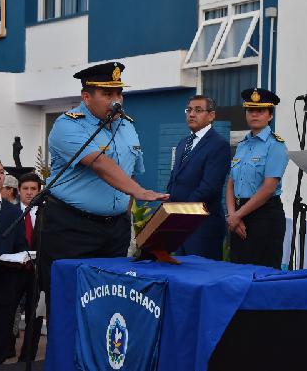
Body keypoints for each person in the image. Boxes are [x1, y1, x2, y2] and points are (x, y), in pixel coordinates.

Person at [39, 62, 169, 307]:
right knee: (68, 302)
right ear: (86, 97)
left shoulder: (127, 126)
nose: (116, 100)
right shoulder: (68, 125)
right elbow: (100, 164)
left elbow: (131, 173)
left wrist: (127, 213)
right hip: (72, 228)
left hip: (115, 230)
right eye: (107, 94)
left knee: (108, 303)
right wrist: (139, 192)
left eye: (119, 93)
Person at [226, 88, 288, 269]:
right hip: (238, 216)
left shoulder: (275, 144)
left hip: (264, 216)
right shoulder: (242, 145)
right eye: (250, 110)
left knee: (263, 274)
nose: (254, 114)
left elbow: (269, 188)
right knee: (238, 271)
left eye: (260, 111)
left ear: (270, 115)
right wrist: (232, 215)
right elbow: (231, 183)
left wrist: (237, 215)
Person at [167, 95, 230, 260]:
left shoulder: (219, 145)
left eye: (198, 110)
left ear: (211, 116)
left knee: (200, 278)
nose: (191, 114)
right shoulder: (183, 143)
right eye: (189, 110)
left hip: (202, 227)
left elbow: (209, 187)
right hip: (179, 225)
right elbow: (174, 179)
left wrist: (181, 210)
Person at [0, 157, 27, 365]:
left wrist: (22, 258)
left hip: (4, 286)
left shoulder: (13, 211)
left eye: (1, 172)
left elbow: (20, 245)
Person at [16, 172, 43, 362]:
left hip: (37, 273)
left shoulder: (46, 214)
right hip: (12, 272)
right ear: (18, 191)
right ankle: (5, 349)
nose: (29, 193)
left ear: (40, 191)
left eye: (34, 189)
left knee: (35, 316)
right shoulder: (9, 212)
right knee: (7, 312)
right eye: (25, 189)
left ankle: (28, 357)